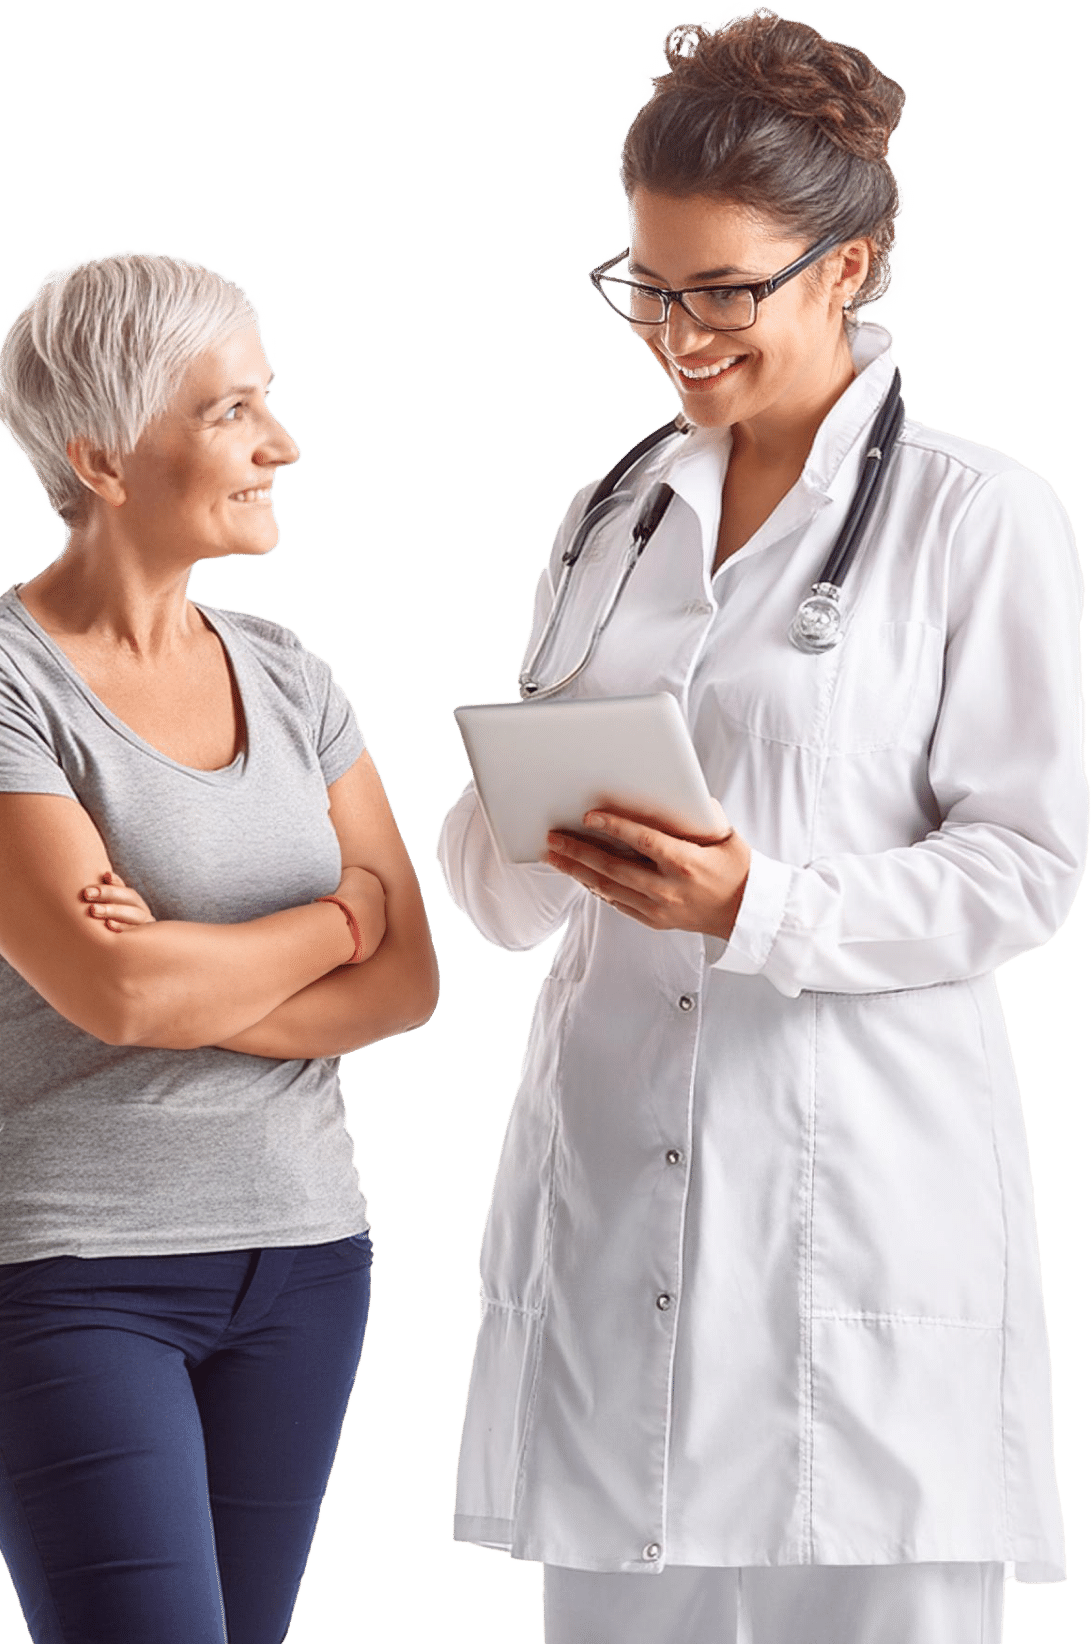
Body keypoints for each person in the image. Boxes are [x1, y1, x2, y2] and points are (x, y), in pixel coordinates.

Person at [435, 10, 1086, 1644]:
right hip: (613, 1213)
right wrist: (523, 831)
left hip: (855, 1217)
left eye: (726, 291)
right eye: (647, 286)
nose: (677, 333)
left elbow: (1026, 863)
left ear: (853, 265)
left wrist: (762, 908)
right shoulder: (606, 515)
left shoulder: (974, 515)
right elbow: (498, 892)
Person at [0, 248, 440, 1644]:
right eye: (231, 409)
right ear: (104, 455)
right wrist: (329, 920)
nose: (282, 443)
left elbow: (408, 980)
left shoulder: (295, 673)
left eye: (270, 401)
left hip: (307, 1254)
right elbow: (127, 993)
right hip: (71, 1271)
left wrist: (200, 973)